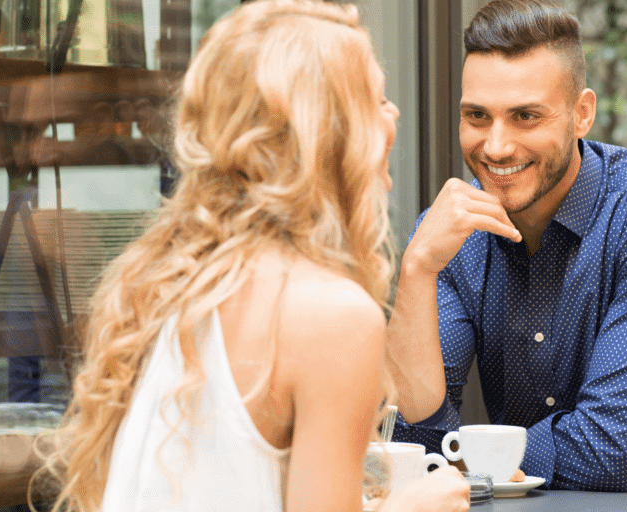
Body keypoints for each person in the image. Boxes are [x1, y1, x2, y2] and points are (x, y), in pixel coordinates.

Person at [38, 1, 470, 511]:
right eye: (375, 99)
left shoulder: (165, 280)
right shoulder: (332, 315)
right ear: (330, 134)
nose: (393, 115)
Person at [386, 1, 627, 510]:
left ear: (582, 114)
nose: (496, 146)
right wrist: (417, 269)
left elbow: (605, 452)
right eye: (477, 116)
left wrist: (467, 459)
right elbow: (415, 438)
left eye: (526, 116)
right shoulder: (448, 236)